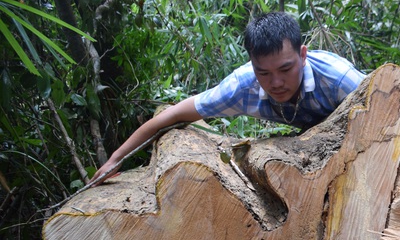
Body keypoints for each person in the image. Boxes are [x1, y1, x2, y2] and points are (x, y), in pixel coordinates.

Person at [91, 11, 367, 183]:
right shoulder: (241, 87)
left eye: (285, 68)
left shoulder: (338, 78)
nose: (276, 82)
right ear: (252, 65)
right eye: (264, 73)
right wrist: (115, 159)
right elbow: (174, 115)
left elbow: (389, 111)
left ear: (303, 55)